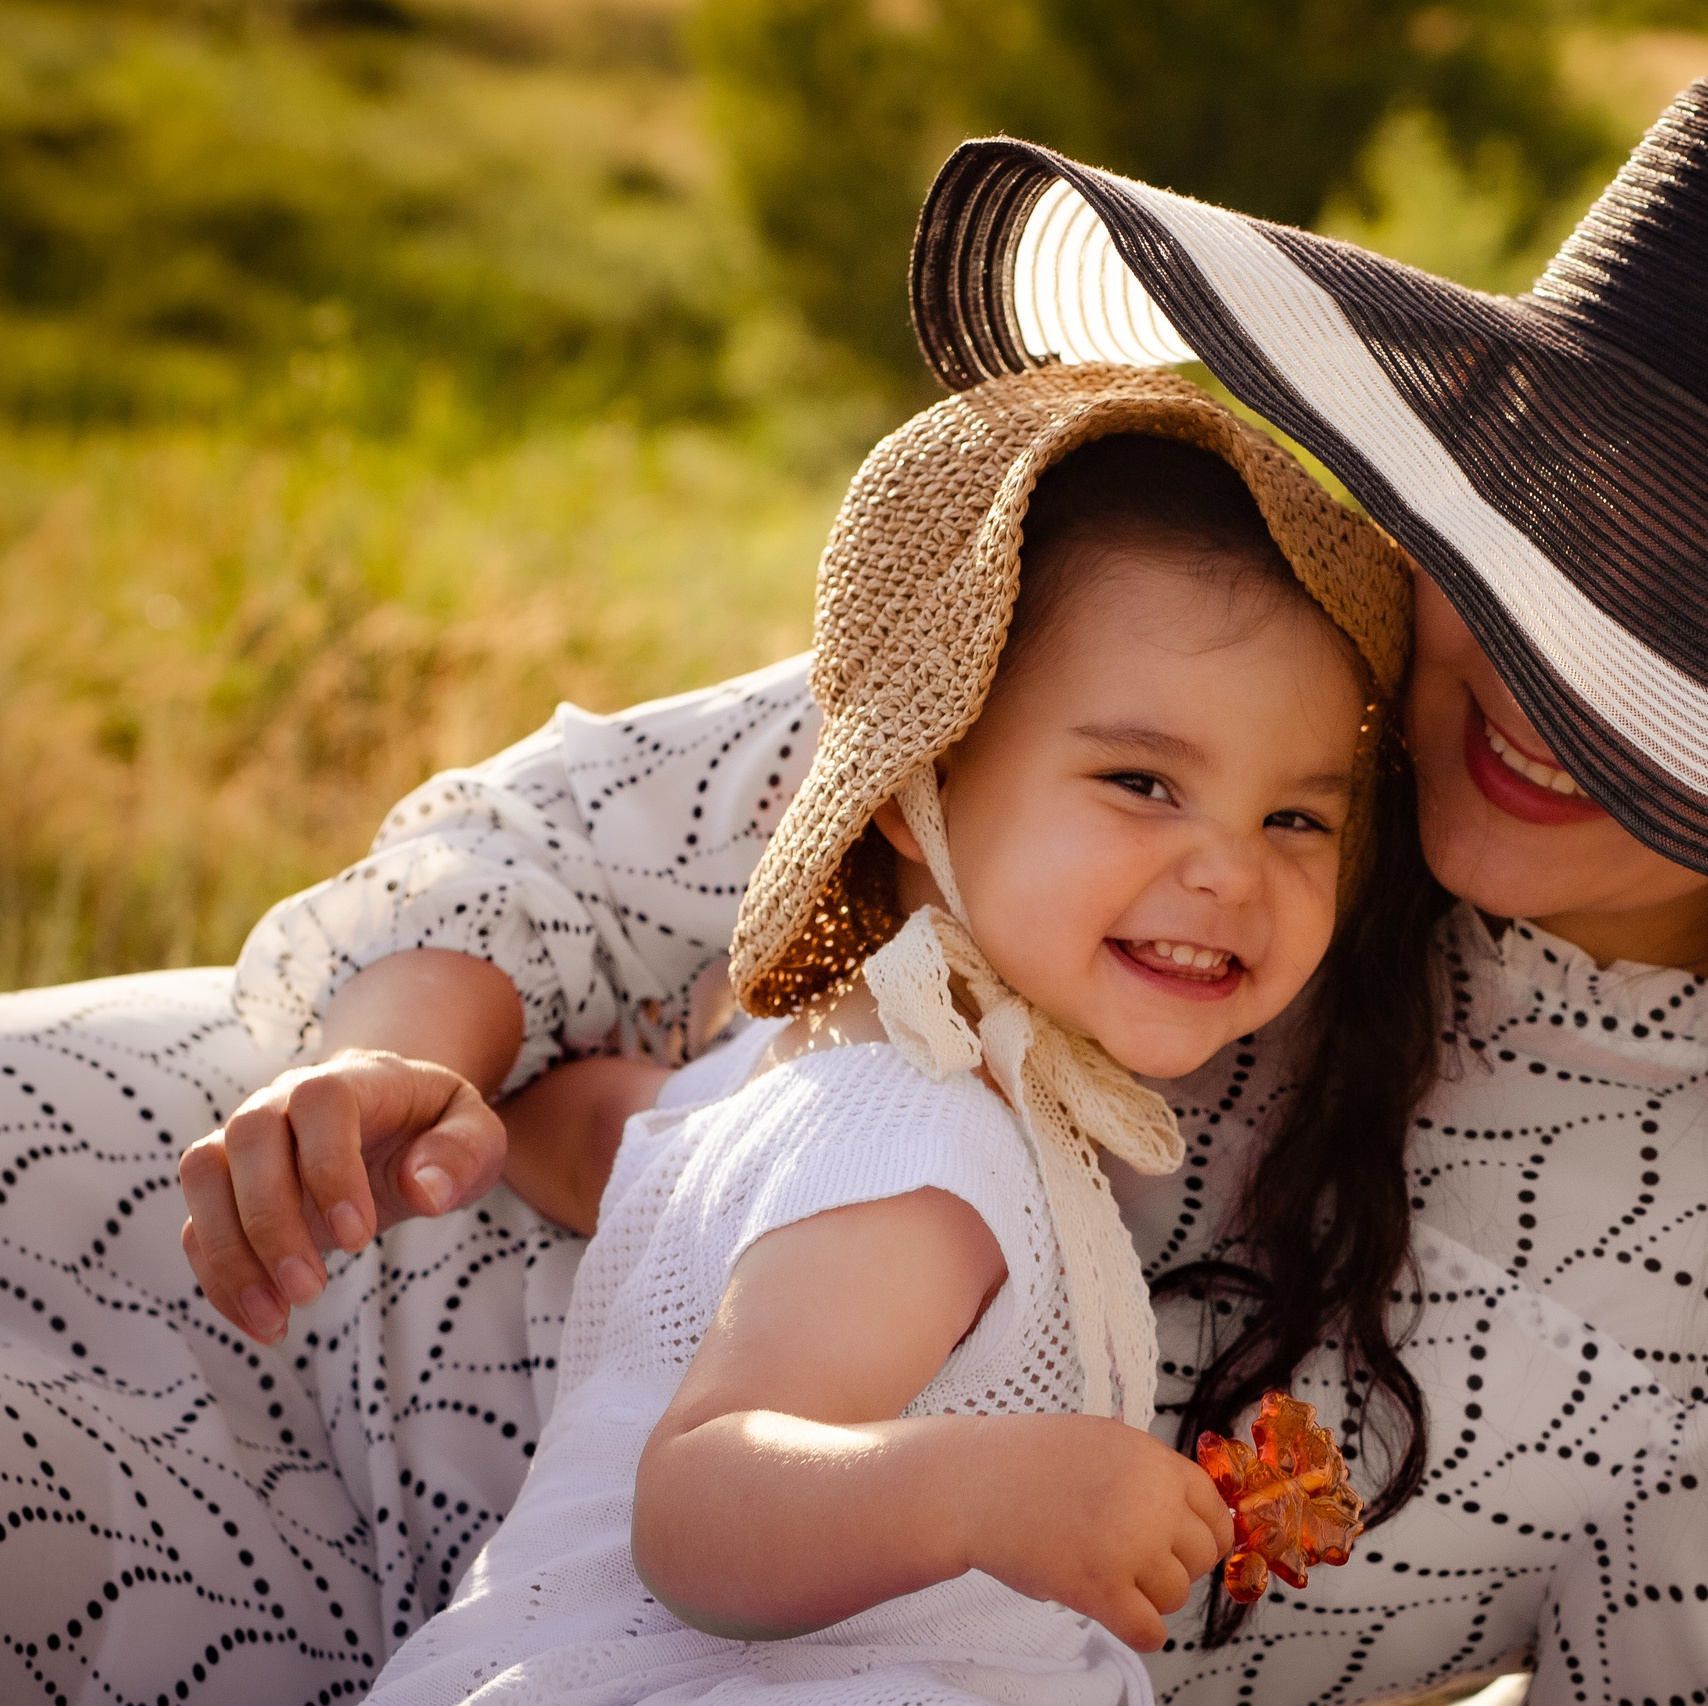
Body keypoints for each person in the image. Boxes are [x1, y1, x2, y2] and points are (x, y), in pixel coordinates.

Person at [0, 66, 1708, 1706]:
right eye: (1554, 535)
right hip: (196, 1297)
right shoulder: (1276, 683)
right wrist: (409, 1066)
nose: (1551, 676)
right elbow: (579, 841)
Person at [361, 366, 1413, 1704]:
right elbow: (699, 1508)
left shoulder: (790, 1070)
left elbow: (611, 1147)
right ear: (919, 791)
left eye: (1295, 818)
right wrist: (987, 1491)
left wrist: (492, 1121)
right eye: (1142, 782)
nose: (1229, 871)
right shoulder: (920, 1142)